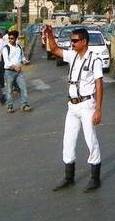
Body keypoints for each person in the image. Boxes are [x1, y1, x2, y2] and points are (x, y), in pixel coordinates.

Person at [44, 25, 104, 193]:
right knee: (68, 140)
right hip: (72, 106)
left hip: (87, 105)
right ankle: (69, 177)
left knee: (90, 139)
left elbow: (99, 85)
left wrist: (98, 109)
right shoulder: (73, 56)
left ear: (84, 41)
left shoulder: (94, 59)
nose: (72, 44)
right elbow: (54, 49)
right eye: (71, 41)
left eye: (75, 41)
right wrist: (49, 35)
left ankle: (95, 177)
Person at [2, 30, 31, 113]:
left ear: (16, 38)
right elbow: (6, 62)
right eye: (9, 38)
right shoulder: (6, 48)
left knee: (23, 88)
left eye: (12, 38)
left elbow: (22, 57)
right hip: (9, 72)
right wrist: (14, 67)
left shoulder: (19, 47)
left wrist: (25, 61)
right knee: (9, 91)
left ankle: (24, 104)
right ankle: (9, 106)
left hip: (19, 72)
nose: (10, 40)